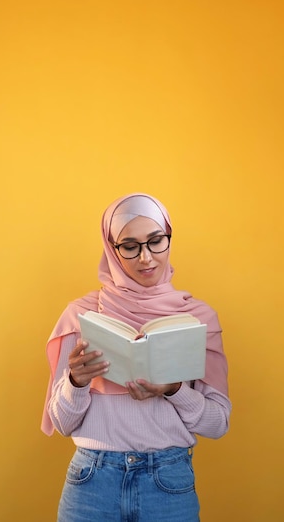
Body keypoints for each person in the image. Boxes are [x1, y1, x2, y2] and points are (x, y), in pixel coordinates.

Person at [41, 193, 231, 522]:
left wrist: (175, 391)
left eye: (156, 241)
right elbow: (62, 423)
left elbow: (218, 424)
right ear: (111, 249)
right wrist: (77, 382)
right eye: (129, 246)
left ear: (169, 238)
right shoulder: (82, 315)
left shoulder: (199, 319)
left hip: (168, 481)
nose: (146, 258)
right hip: (92, 481)